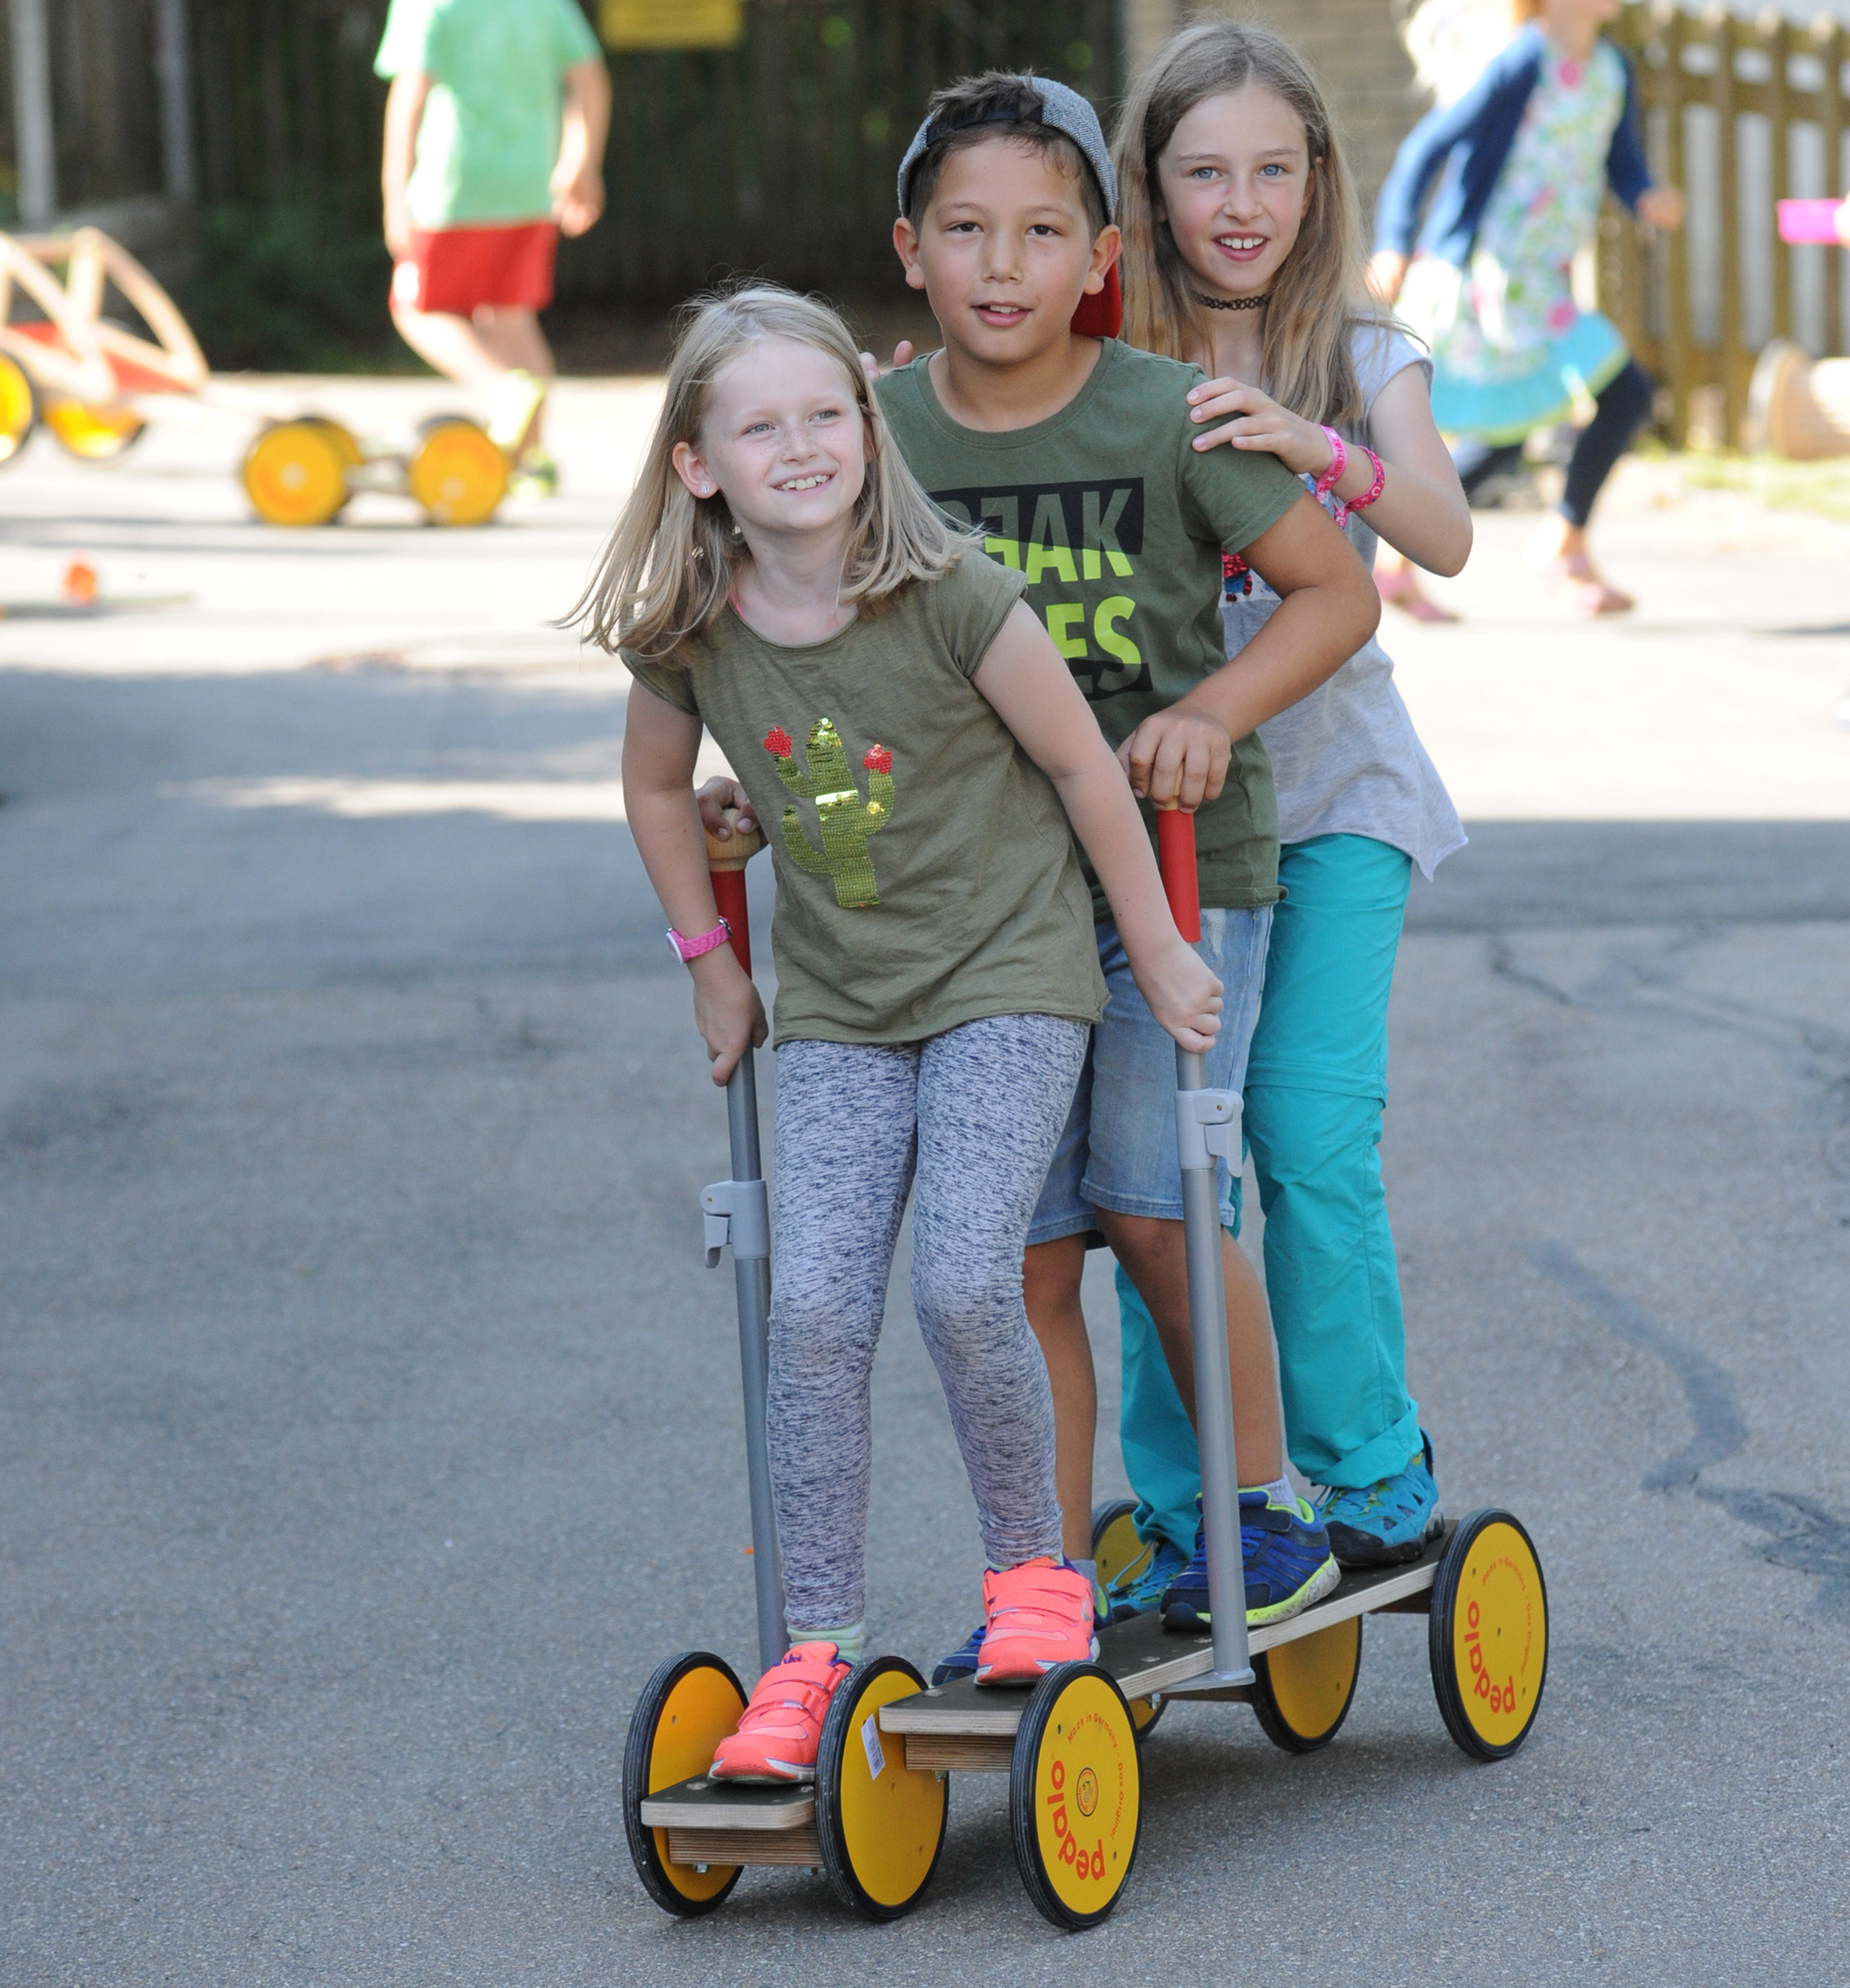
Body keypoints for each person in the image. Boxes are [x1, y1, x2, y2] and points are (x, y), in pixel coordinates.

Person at [582, 285, 1227, 1778]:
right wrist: (707, 965)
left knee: (959, 1281)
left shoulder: (952, 591)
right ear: (698, 464)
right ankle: (813, 1649)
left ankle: (1035, 1581)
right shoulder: (688, 628)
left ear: (868, 430)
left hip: (1008, 975)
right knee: (809, 1309)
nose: (801, 444)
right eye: (760, 424)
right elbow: (658, 790)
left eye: (827, 413)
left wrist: (1153, 944)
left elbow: (1080, 766)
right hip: (843, 1010)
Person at [851, 71, 1380, 1667]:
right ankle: (1046, 1578)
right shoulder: (876, 433)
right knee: (1026, 1249)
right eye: (965, 231)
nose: (1000, 266)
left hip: (1170, 863)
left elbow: (1332, 593)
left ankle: (1266, 1507)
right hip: (988, 896)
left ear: (1098, 254)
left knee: (1158, 1209)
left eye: (1037, 233)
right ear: (911, 251)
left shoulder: (1162, 414)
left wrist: (1211, 712)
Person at [1094, 20, 1471, 1619]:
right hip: (1175, 823)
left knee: (1308, 1138)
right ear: (1152, 188)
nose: (1239, 203)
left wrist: (1317, 450)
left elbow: (1442, 537)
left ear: (1319, 180)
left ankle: (1374, 1464)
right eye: (1202, 173)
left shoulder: (1366, 357)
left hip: (1335, 806)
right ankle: (1198, 1507)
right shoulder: (1106, 362)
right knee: (1177, 1169)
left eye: (1270, 168)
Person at [1370, 0, 1684, 616]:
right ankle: (1558, 545)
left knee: (1516, 426)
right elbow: (1423, 150)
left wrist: (1646, 195)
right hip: (1489, 278)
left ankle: (1397, 558)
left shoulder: (1612, 69)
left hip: (1544, 282)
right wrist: (1393, 244)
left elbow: (1621, 161)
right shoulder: (1522, 60)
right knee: (1614, 395)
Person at [376, 0, 610, 493]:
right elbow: (590, 78)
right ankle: (532, 461)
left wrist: (395, 197)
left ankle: (503, 390)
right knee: (509, 315)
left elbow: (408, 99)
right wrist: (581, 163)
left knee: (414, 308)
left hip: (454, 188)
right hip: (529, 187)